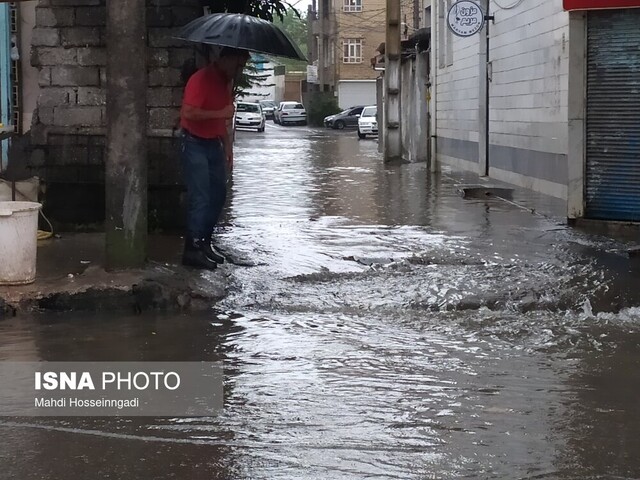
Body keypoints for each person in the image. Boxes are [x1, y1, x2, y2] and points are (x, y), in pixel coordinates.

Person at [179, 46, 250, 269]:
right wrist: (221, 113)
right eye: (238, 64)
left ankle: (205, 243)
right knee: (201, 196)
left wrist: (228, 148)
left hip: (213, 143)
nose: (239, 70)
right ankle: (192, 249)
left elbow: (223, 124)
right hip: (193, 141)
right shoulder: (201, 80)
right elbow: (189, 113)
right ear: (225, 59)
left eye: (242, 66)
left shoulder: (226, 83)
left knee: (219, 194)